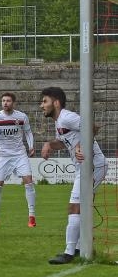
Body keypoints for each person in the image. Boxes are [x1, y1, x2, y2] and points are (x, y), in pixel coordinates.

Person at [40, 87, 108, 264]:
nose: (42, 105)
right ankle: (80, 247)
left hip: (93, 166)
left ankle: (69, 252)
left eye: (44, 101)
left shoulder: (67, 117)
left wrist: (82, 146)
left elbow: (92, 128)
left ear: (56, 103)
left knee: (74, 207)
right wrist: (48, 144)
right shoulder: (59, 121)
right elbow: (62, 143)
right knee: (83, 207)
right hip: (84, 167)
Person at [0, 92, 37, 228]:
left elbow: (28, 132)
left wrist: (31, 146)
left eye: (8, 101)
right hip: (3, 156)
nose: (5, 103)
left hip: (19, 154)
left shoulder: (21, 117)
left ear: (14, 103)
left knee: (28, 182)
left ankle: (32, 216)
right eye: (3, 101)